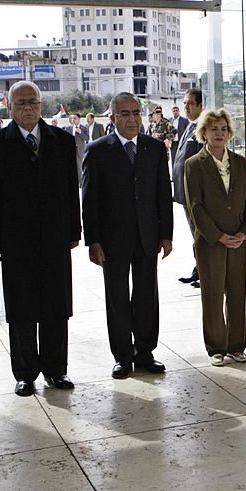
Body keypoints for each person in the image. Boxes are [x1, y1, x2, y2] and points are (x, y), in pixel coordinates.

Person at [0, 80, 81, 396]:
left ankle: (56, 369)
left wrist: (73, 231)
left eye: (33, 102)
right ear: (10, 107)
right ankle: (25, 373)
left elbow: (71, 191)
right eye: (21, 103)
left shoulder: (62, 141)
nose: (28, 108)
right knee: (22, 307)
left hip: (54, 237)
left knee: (55, 305)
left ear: (42, 106)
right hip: (16, 239)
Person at [82, 92, 173, 379]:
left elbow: (162, 195)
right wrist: (93, 240)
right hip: (112, 240)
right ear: (112, 118)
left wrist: (166, 235)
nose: (132, 119)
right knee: (117, 297)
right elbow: (90, 199)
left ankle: (144, 352)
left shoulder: (154, 149)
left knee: (147, 295)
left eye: (136, 113)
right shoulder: (97, 150)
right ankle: (122, 356)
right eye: (124, 114)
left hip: (147, 236)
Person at [184, 109, 246, 366]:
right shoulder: (194, 164)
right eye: (214, 129)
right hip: (211, 242)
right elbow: (195, 207)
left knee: (237, 293)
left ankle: (236, 346)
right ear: (204, 132)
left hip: (238, 241)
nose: (219, 133)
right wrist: (218, 236)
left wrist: (245, 233)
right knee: (213, 295)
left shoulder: (240, 163)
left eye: (223, 129)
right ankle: (216, 346)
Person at [172, 88, 204, 285]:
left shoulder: (202, 128)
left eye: (190, 103)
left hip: (195, 193)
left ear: (201, 105)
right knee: (195, 234)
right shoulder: (189, 126)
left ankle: (206, 272)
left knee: (201, 234)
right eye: (185, 103)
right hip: (184, 192)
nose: (186, 106)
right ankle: (198, 269)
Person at [64, 113, 88, 184]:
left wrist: (80, 132)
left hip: (79, 150)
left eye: (75, 118)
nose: (73, 119)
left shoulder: (84, 128)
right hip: (70, 150)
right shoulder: (68, 128)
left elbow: (87, 138)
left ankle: (80, 182)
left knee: (79, 167)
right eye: (72, 118)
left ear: (79, 119)